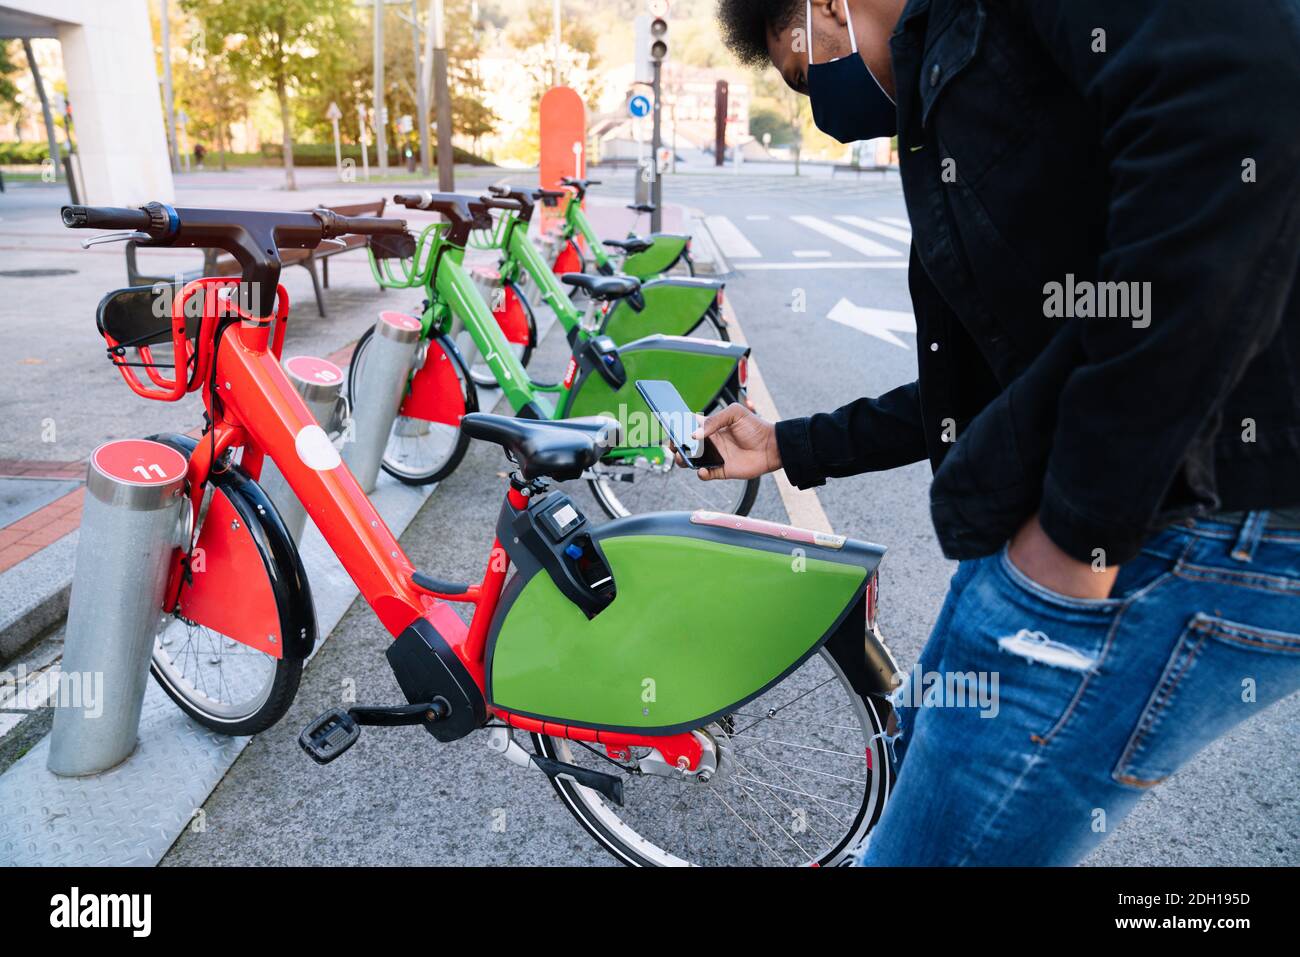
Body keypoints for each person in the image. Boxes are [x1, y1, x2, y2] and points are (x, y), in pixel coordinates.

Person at [709, 0, 1300, 864]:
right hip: (1126, 502)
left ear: (824, 5)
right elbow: (980, 381)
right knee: (910, 755)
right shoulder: (950, 64)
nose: (821, 109)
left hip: (1191, 505)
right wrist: (788, 444)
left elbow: (1238, 108)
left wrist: (1079, 530)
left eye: (804, 71)